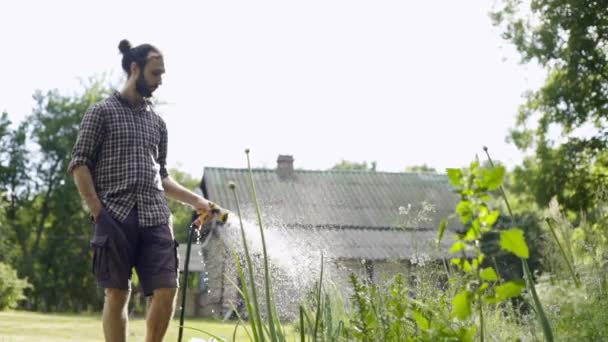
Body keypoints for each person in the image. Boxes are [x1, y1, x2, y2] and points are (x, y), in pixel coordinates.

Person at [68, 39, 214, 342]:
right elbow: (80, 165)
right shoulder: (101, 112)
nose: (160, 80)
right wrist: (98, 211)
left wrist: (197, 200)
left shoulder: (158, 123)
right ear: (135, 69)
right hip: (115, 214)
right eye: (155, 73)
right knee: (117, 294)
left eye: (162, 74)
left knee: (167, 289)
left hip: (156, 215)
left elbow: (162, 177)